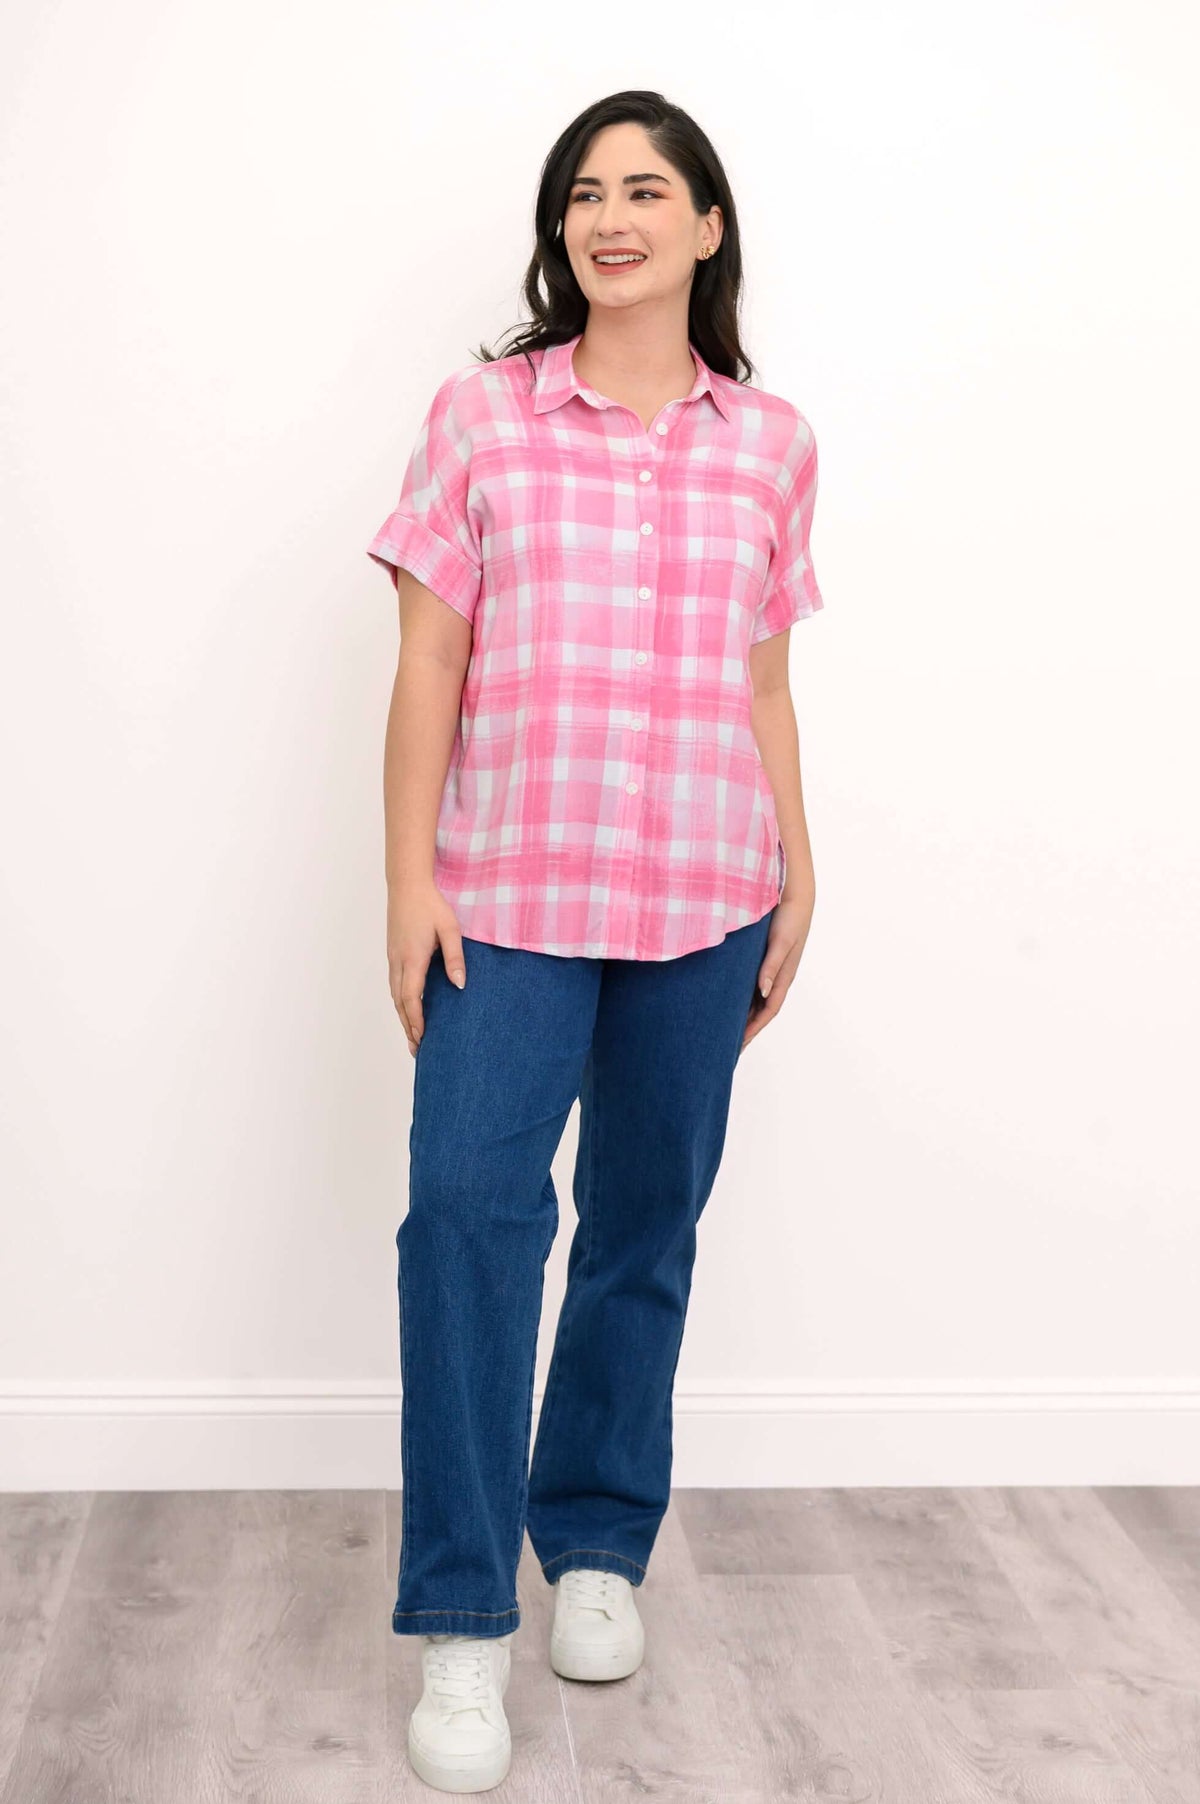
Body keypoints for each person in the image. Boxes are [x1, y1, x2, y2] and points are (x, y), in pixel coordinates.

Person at [366, 89, 825, 1795]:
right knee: (471, 1227)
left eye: (649, 190)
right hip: (509, 903)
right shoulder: (482, 419)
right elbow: (427, 661)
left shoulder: (771, 442)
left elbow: (765, 676)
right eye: (584, 193)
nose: (611, 216)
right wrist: (406, 882)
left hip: (706, 893)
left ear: (708, 228)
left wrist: (800, 863)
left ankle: (601, 1550)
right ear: (560, 232)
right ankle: (465, 1622)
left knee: (646, 1228)